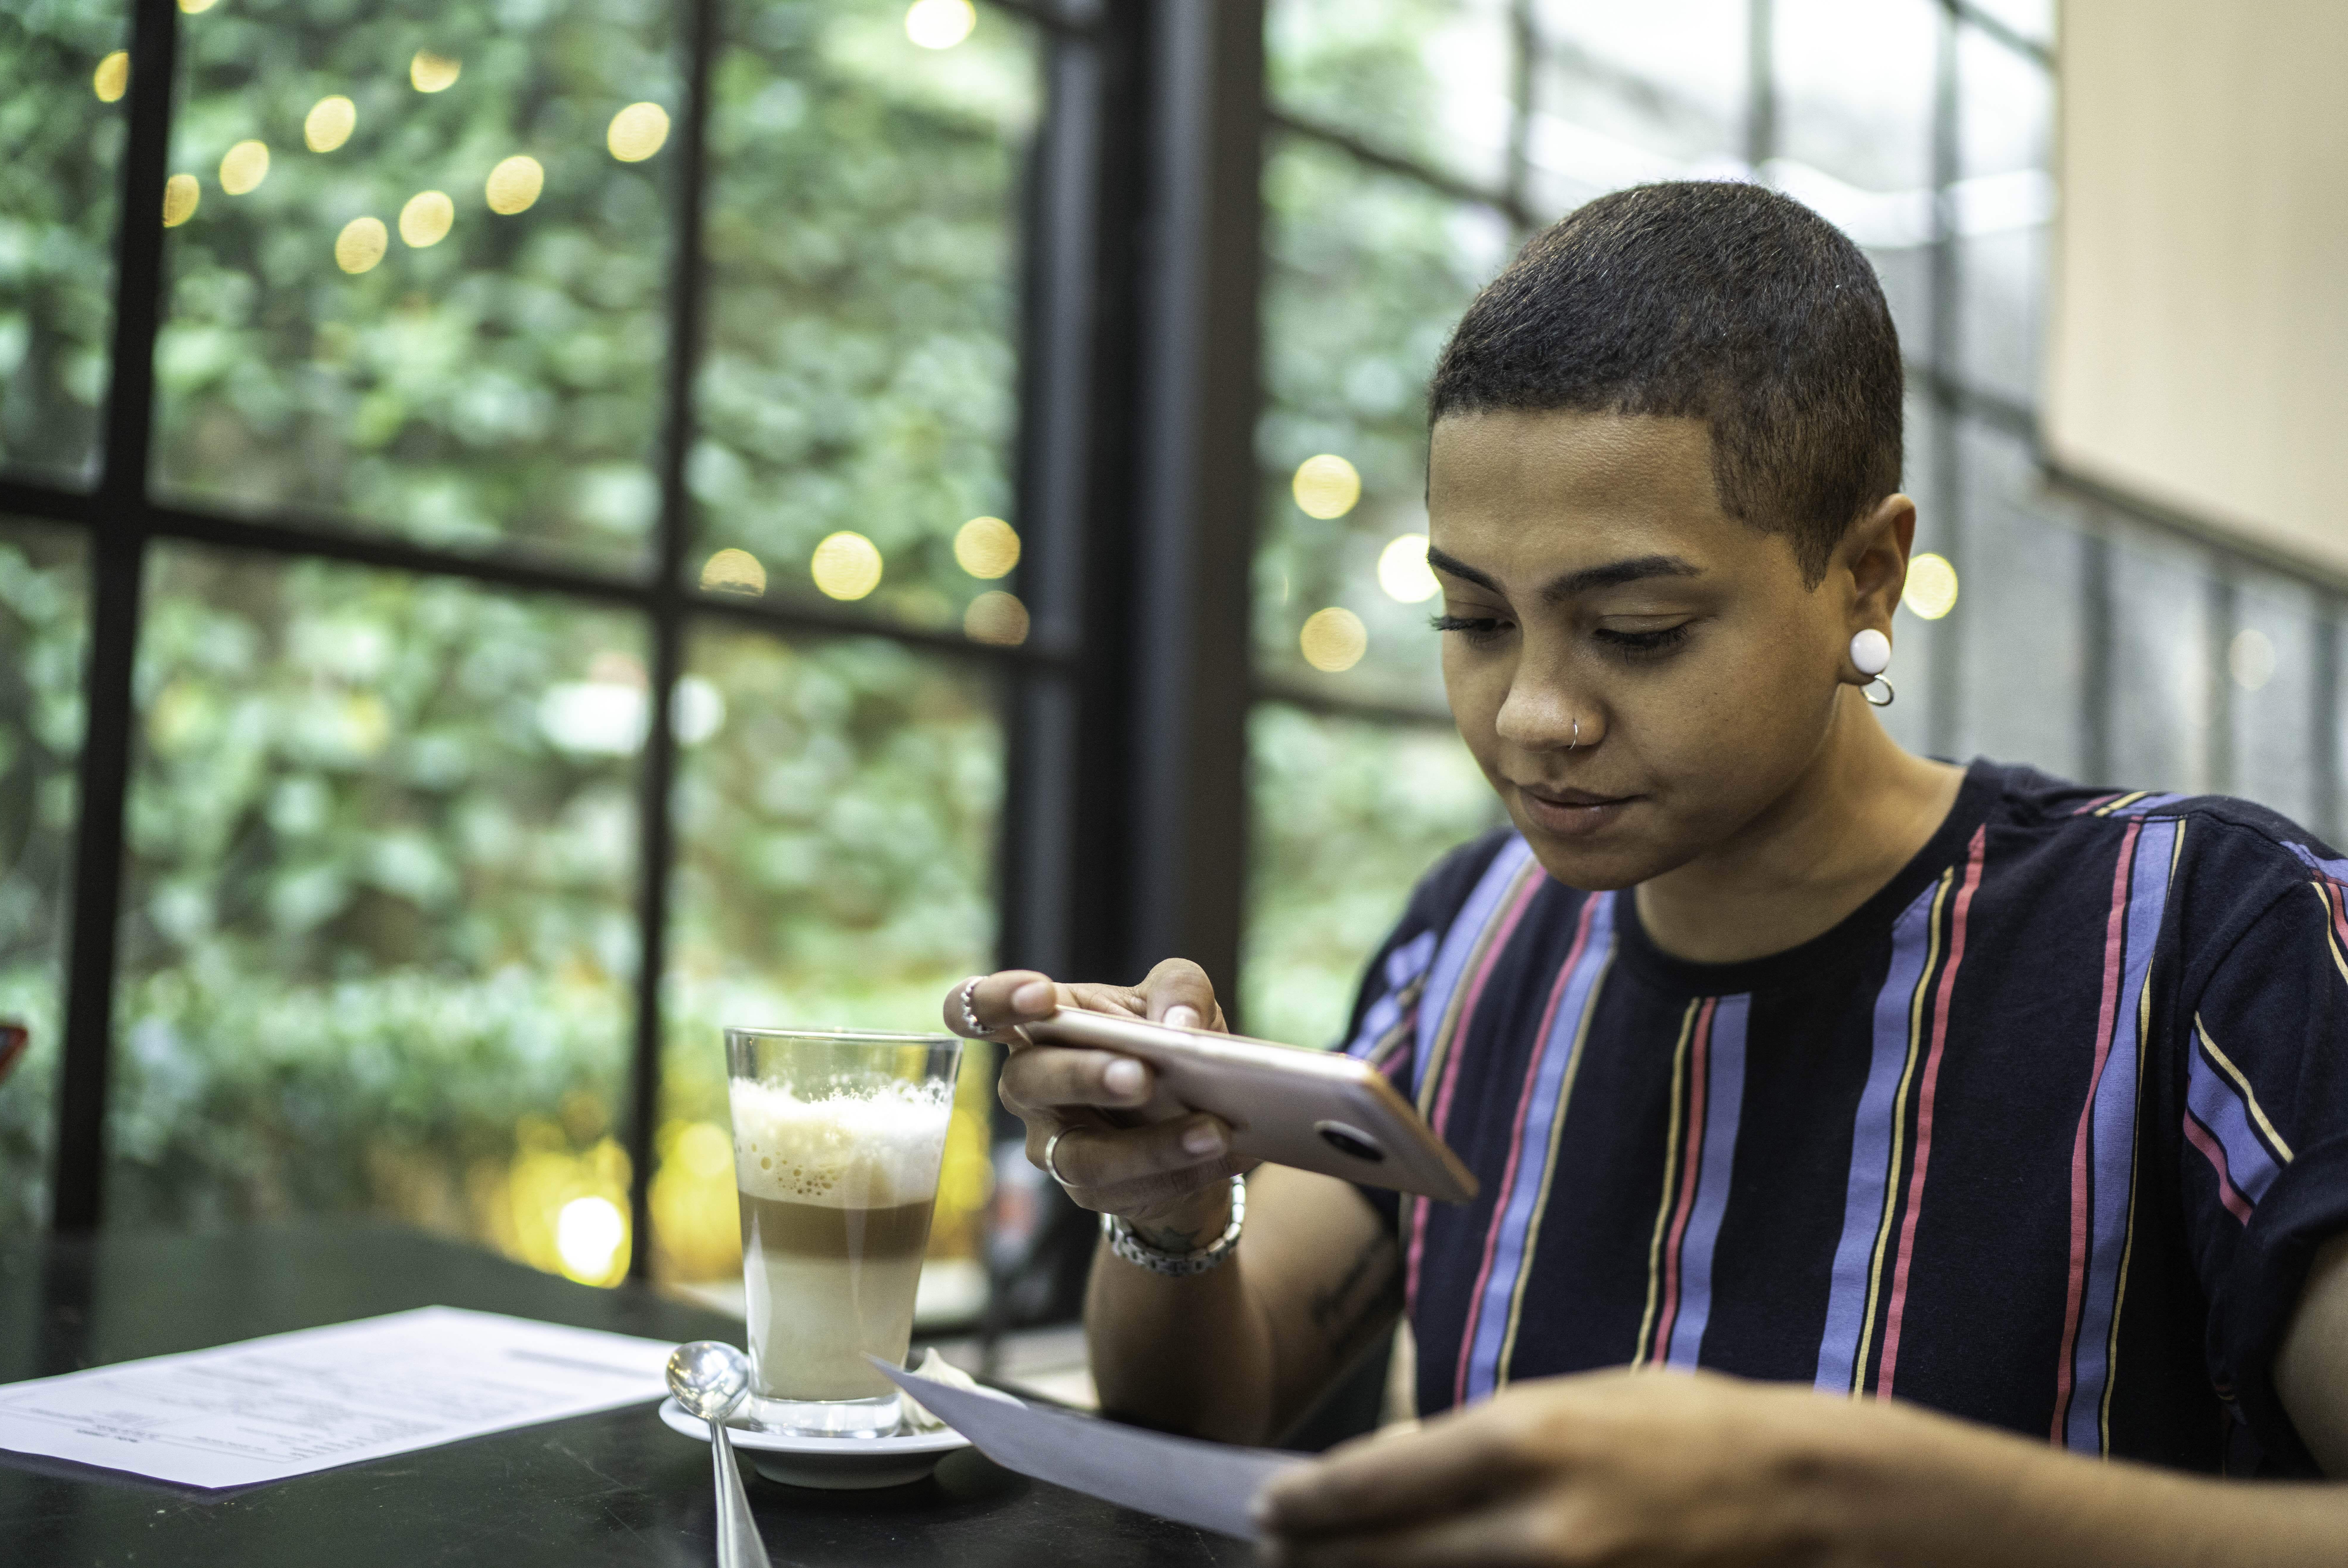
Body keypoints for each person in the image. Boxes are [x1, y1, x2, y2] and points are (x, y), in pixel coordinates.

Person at [945, 182, 2348, 1564]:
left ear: (1865, 577)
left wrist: (1859, 1507)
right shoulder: (1476, 934)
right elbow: (1207, 1408)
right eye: (1474, 616)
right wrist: (1171, 1215)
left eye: (1635, 628)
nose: (1528, 716)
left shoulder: (2197, 937)